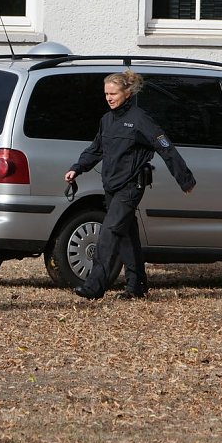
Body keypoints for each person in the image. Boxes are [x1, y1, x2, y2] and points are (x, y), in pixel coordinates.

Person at [64, 69, 196, 300]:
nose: (109, 98)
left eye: (113, 93)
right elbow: (96, 149)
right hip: (111, 185)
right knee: (126, 234)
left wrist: (184, 178)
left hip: (131, 185)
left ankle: (94, 286)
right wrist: (77, 168)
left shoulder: (140, 119)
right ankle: (137, 287)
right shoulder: (106, 120)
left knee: (110, 231)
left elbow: (165, 147)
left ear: (127, 92)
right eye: (106, 94)